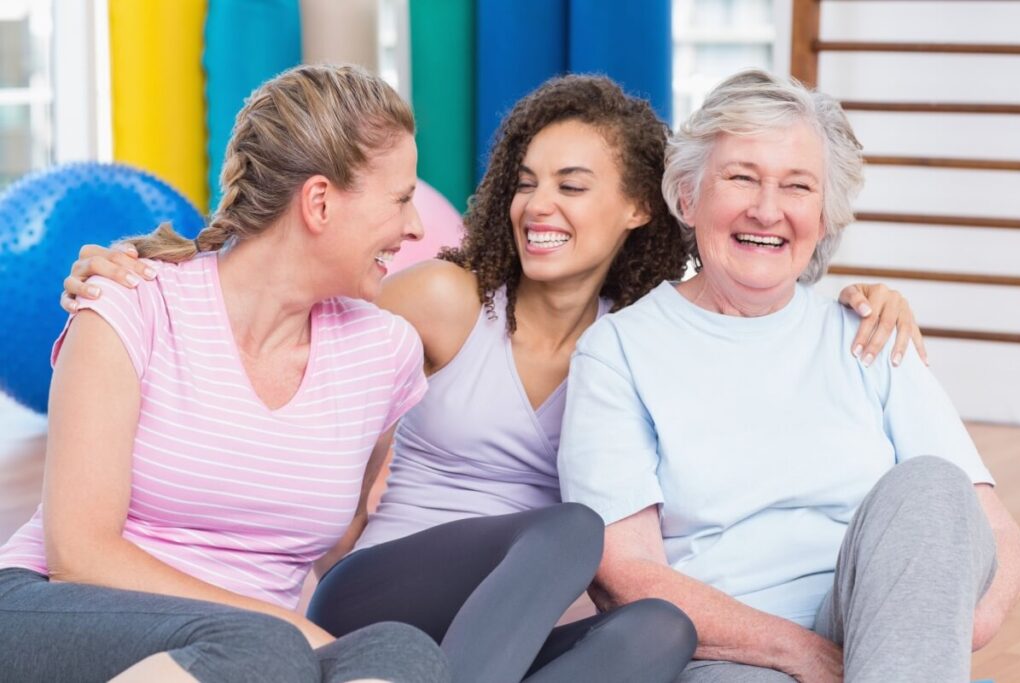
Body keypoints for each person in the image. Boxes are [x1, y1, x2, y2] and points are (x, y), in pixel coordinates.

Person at [57, 75, 923, 682]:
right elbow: (297, 309)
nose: (536, 204)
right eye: (525, 180)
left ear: (637, 208)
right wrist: (153, 260)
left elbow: (752, 310)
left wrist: (868, 296)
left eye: (572, 186)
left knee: (659, 628)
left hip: (502, 627)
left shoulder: (643, 346)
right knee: (568, 529)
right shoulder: (443, 299)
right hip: (383, 591)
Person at [557, 69, 1020, 683]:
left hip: (874, 633)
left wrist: (912, 638)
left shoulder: (870, 332)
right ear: (689, 196)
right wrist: (810, 657)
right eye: (741, 176)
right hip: (727, 650)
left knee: (935, 484)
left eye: (798, 186)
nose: (768, 209)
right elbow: (625, 578)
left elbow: (993, 531)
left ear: (825, 216)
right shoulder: (618, 351)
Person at [0, 63, 453, 683]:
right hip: (51, 609)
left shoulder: (383, 352)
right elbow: (80, 555)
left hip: (254, 651)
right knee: (259, 649)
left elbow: (341, 543)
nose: (417, 226)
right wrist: (290, 632)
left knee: (401, 653)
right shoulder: (131, 302)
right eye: (401, 198)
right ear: (319, 201)